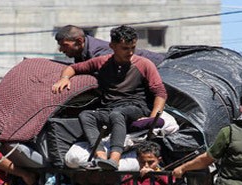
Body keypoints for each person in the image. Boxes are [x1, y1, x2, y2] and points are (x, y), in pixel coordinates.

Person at [52, 25, 167, 171]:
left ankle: (114, 159)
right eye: (125, 48)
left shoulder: (144, 64)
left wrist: (151, 119)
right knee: (86, 115)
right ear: (112, 46)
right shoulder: (102, 62)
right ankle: (100, 157)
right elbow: (74, 68)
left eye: (133, 47)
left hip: (134, 107)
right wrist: (64, 78)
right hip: (109, 108)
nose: (130, 52)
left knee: (117, 114)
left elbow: (160, 93)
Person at [54, 25, 165, 65]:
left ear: (79, 41)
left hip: (161, 66)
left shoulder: (99, 54)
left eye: (65, 45)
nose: (61, 50)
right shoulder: (81, 53)